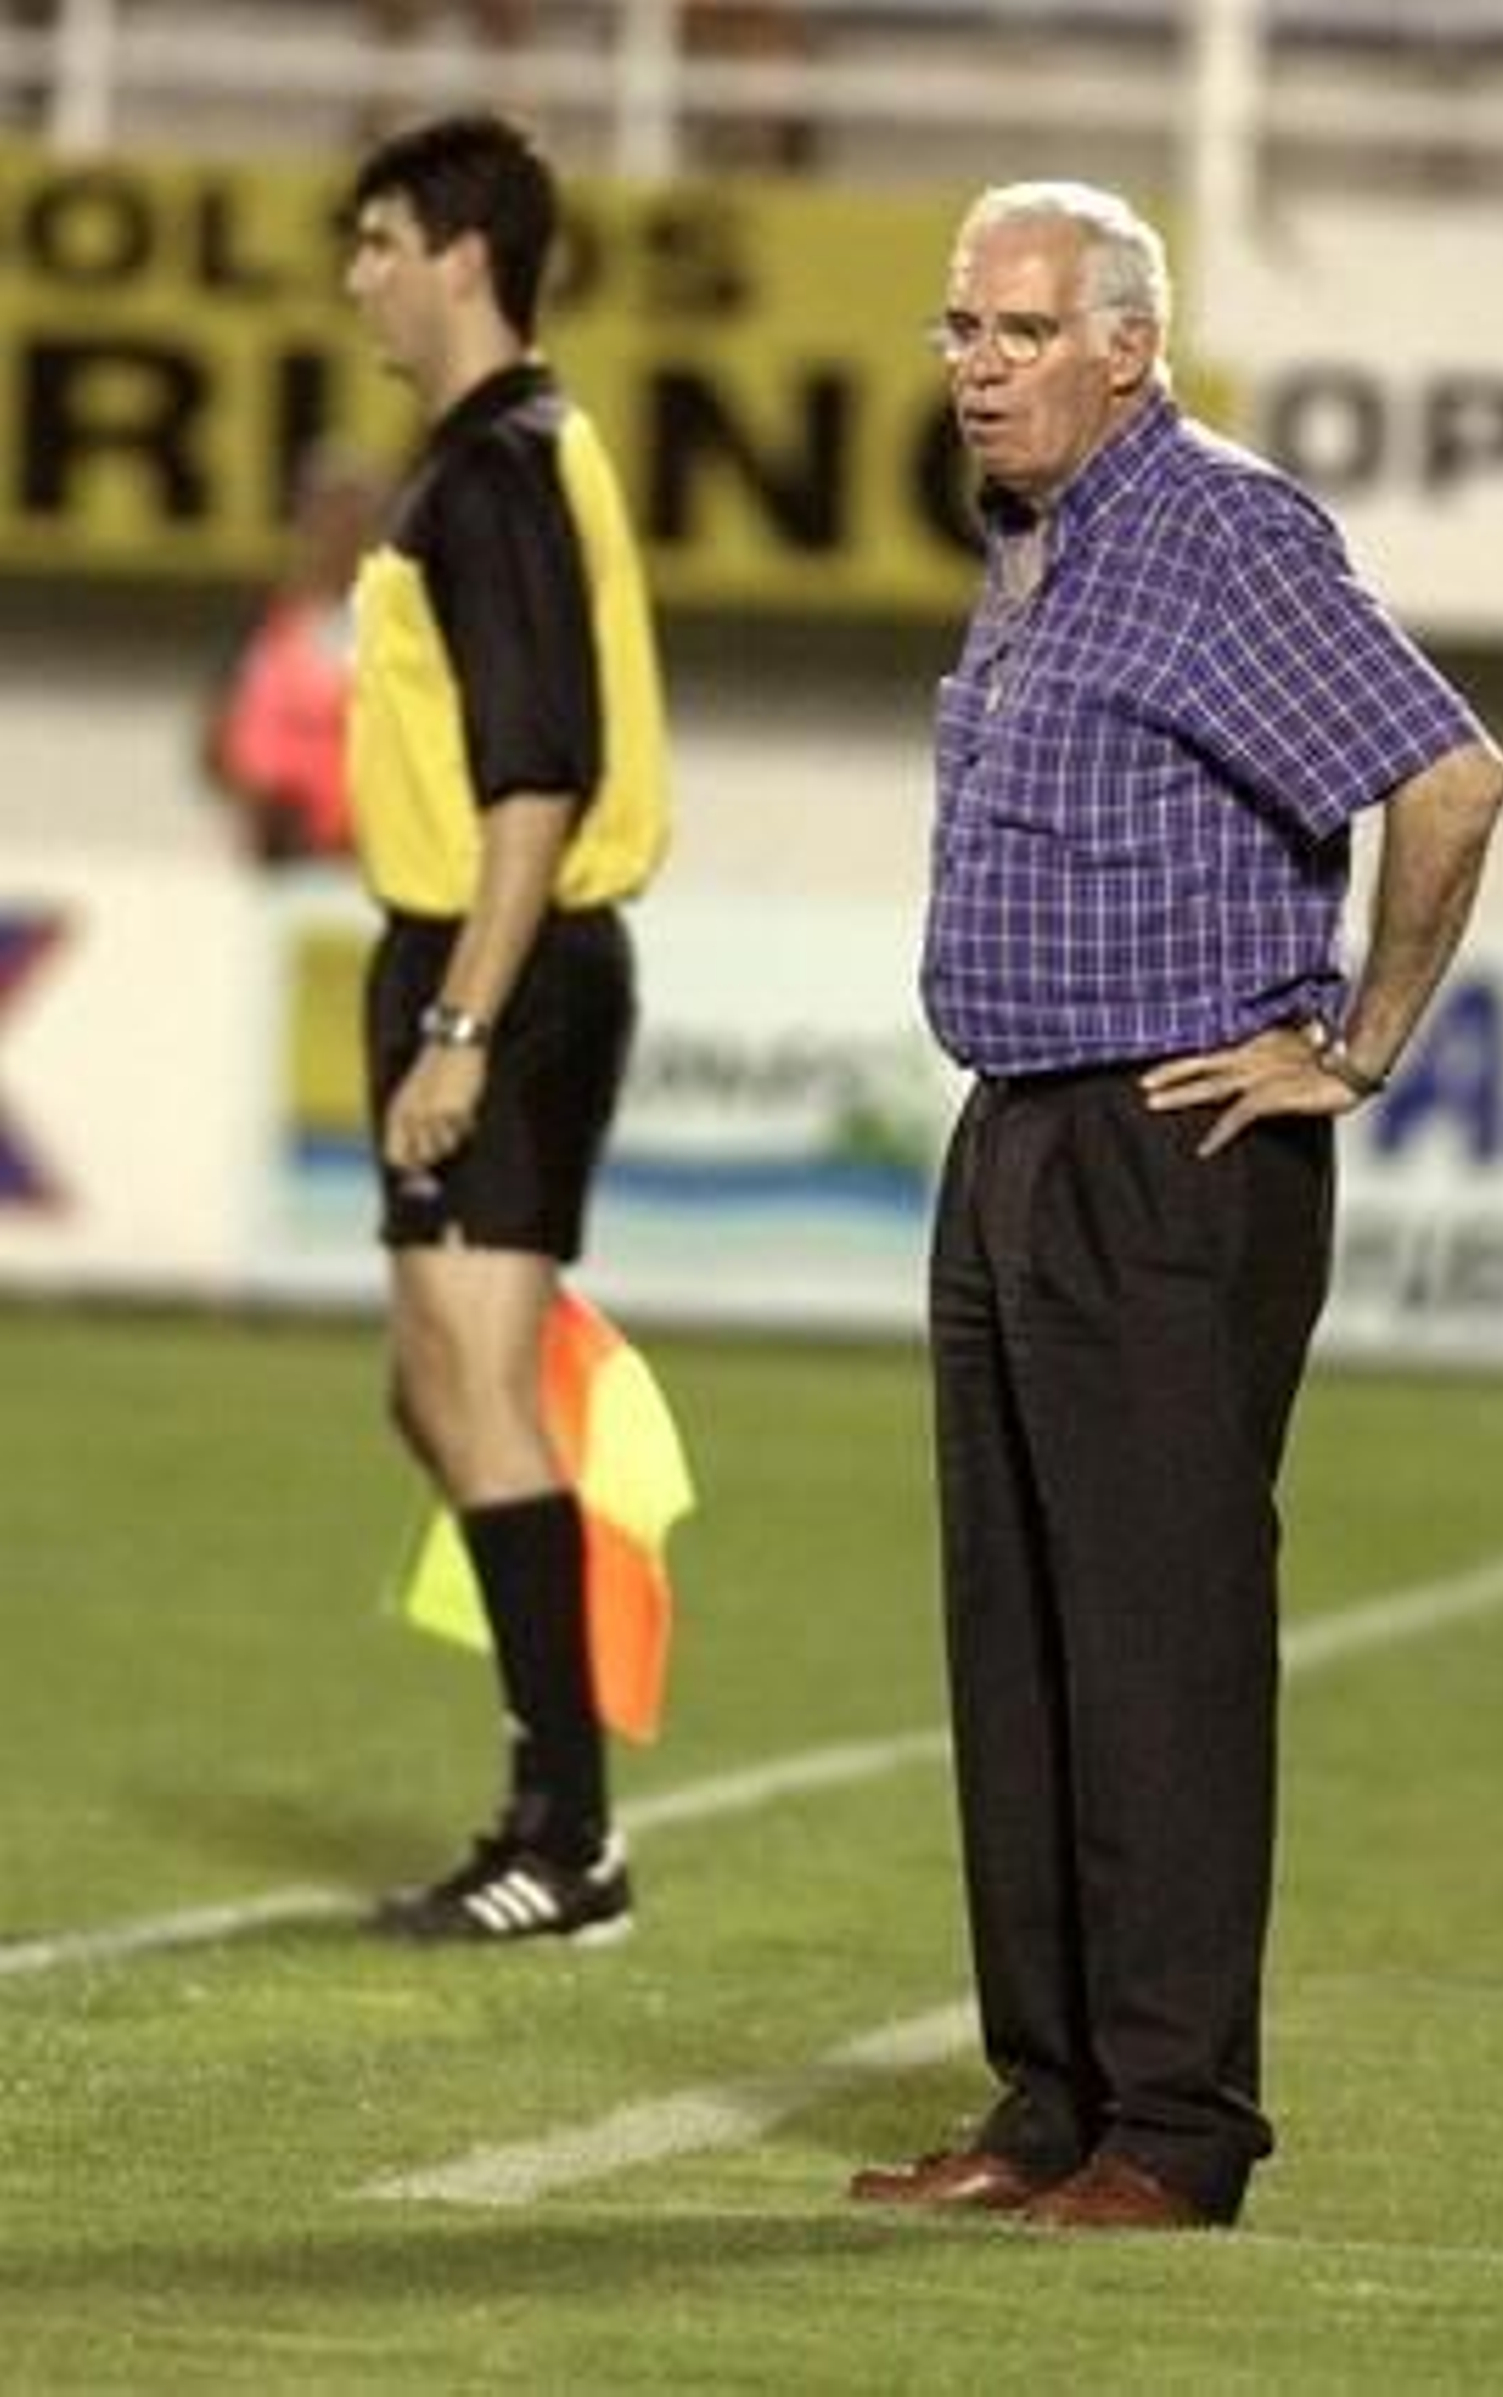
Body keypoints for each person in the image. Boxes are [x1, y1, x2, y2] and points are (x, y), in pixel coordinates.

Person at [849, 182, 1503, 2230]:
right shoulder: (1037, 540)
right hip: (1016, 1130)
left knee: (1154, 1638)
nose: (975, 366)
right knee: (1020, 1631)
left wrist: (1358, 1040)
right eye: (959, 329)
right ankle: (1047, 2097)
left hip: (1168, 1145)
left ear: (1127, 345)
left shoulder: (1217, 527)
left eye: (1019, 332)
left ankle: (1177, 2125)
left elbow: (1448, 775)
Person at [342, 112, 670, 1943]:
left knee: (476, 1384)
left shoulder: (505, 467)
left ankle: (568, 1830)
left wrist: (462, 1018)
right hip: (463, 949)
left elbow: (538, 777)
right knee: (437, 1385)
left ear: (465, 248)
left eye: (382, 238)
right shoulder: (479, 458)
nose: (360, 275)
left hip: (507, 957)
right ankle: (557, 1788)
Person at [204, 444, 386, 868]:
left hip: (364, 868)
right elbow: (212, 744)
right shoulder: (262, 626)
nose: (339, 532)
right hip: (271, 865)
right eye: (326, 515)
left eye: (354, 517)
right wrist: (259, 791)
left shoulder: (406, 635)